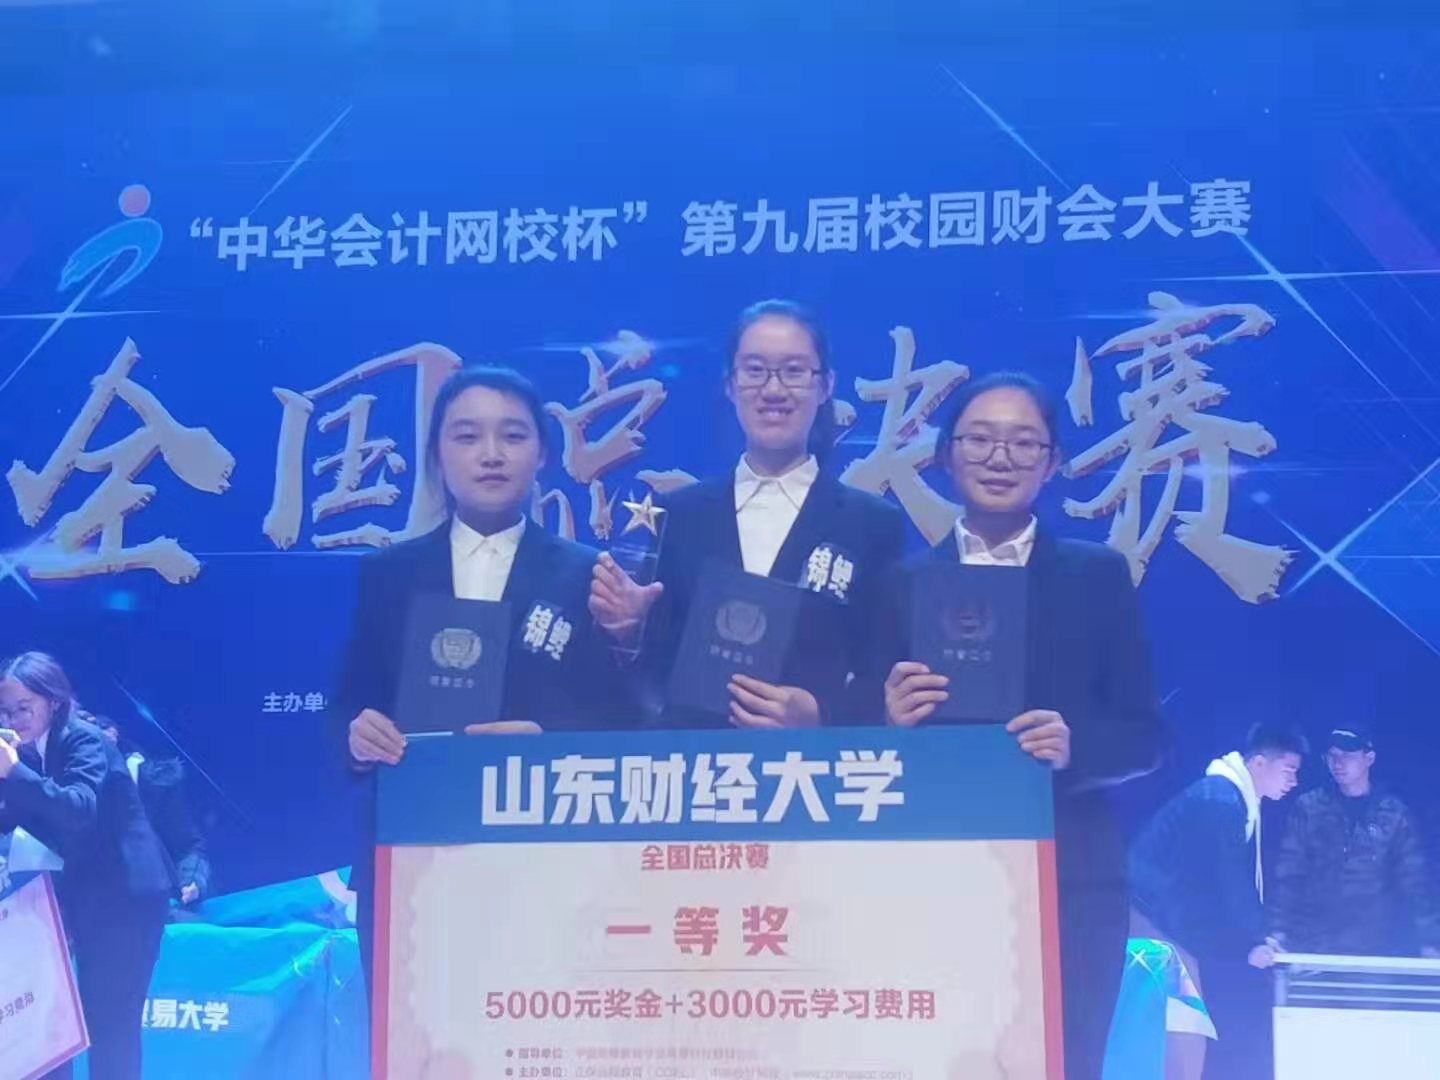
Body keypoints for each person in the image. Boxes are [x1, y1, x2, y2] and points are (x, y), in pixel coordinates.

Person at [852, 371, 1166, 1080]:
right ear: (946, 454)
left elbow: (1146, 735)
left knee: (1060, 1062)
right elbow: (855, 742)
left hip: (1068, 877)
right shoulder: (899, 585)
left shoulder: (1097, 577)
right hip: (933, 875)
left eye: (1024, 442)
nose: (1001, 457)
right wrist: (885, 718)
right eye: (980, 439)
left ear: (1052, 463)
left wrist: (1075, 746)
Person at [338, 365, 641, 987]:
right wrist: (358, 736)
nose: (491, 454)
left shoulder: (588, 575)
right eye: (467, 436)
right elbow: (350, 700)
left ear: (542, 454)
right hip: (415, 849)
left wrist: (547, 742)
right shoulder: (388, 574)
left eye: (513, 435)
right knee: (414, 1021)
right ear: (437, 455)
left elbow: (624, 723)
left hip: (542, 852)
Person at [593, 299, 905, 729]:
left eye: (794, 371)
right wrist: (629, 629)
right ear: (730, 384)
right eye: (755, 370)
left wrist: (820, 714)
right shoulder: (679, 514)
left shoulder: (872, 523)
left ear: (826, 385)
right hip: (697, 761)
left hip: (814, 764)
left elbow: (885, 671)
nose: (773, 390)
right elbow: (652, 675)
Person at [0, 653, 173, 1080]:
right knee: (60, 1019)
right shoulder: (34, 751)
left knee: (110, 1021)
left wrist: (14, 772)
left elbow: (78, 808)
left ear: (54, 700)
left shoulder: (84, 739)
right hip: (84, 895)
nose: (15, 719)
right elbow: (24, 815)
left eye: (24, 707)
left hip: (126, 896)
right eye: (7, 711)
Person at [1130, 724, 1307, 1080]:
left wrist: (1252, 939)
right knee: (1184, 1025)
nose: (1294, 781)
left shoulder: (1229, 797)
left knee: (1186, 1024)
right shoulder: (1221, 800)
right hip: (1152, 921)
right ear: (1259, 763)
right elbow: (1229, 880)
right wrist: (1253, 940)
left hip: (1166, 920)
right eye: (1289, 770)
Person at [1270, 726, 1440, 958]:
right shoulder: (1309, 807)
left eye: (1347, 755)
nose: (1338, 763)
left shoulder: (1393, 814)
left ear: (1369, 758)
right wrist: (1278, 930)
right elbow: (1289, 872)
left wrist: (1429, 940)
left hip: (1374, 946)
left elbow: (1414, 881)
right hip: (1313, 943)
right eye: (1332, 756)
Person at [96, 715, 212, 909]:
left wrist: (192, 880)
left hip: (157, 906)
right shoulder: (65, 789)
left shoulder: (154, 785)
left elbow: (188, 847)